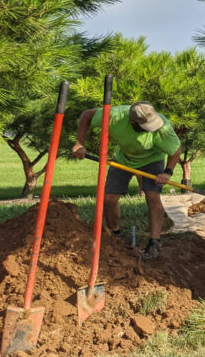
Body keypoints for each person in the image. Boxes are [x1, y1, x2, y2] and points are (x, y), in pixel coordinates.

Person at [71, 102, 182, 260]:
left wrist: (167, 172)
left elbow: (176, 150)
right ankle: (115, 237)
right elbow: (87, 115)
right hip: (123, 159)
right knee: (109, 198)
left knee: (152, 196)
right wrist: (79, 143)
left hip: (153, 160)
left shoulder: (163, 127)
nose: (151, 128)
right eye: (145, 125)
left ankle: (154, 242)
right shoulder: (115, 116)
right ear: (132, 122)